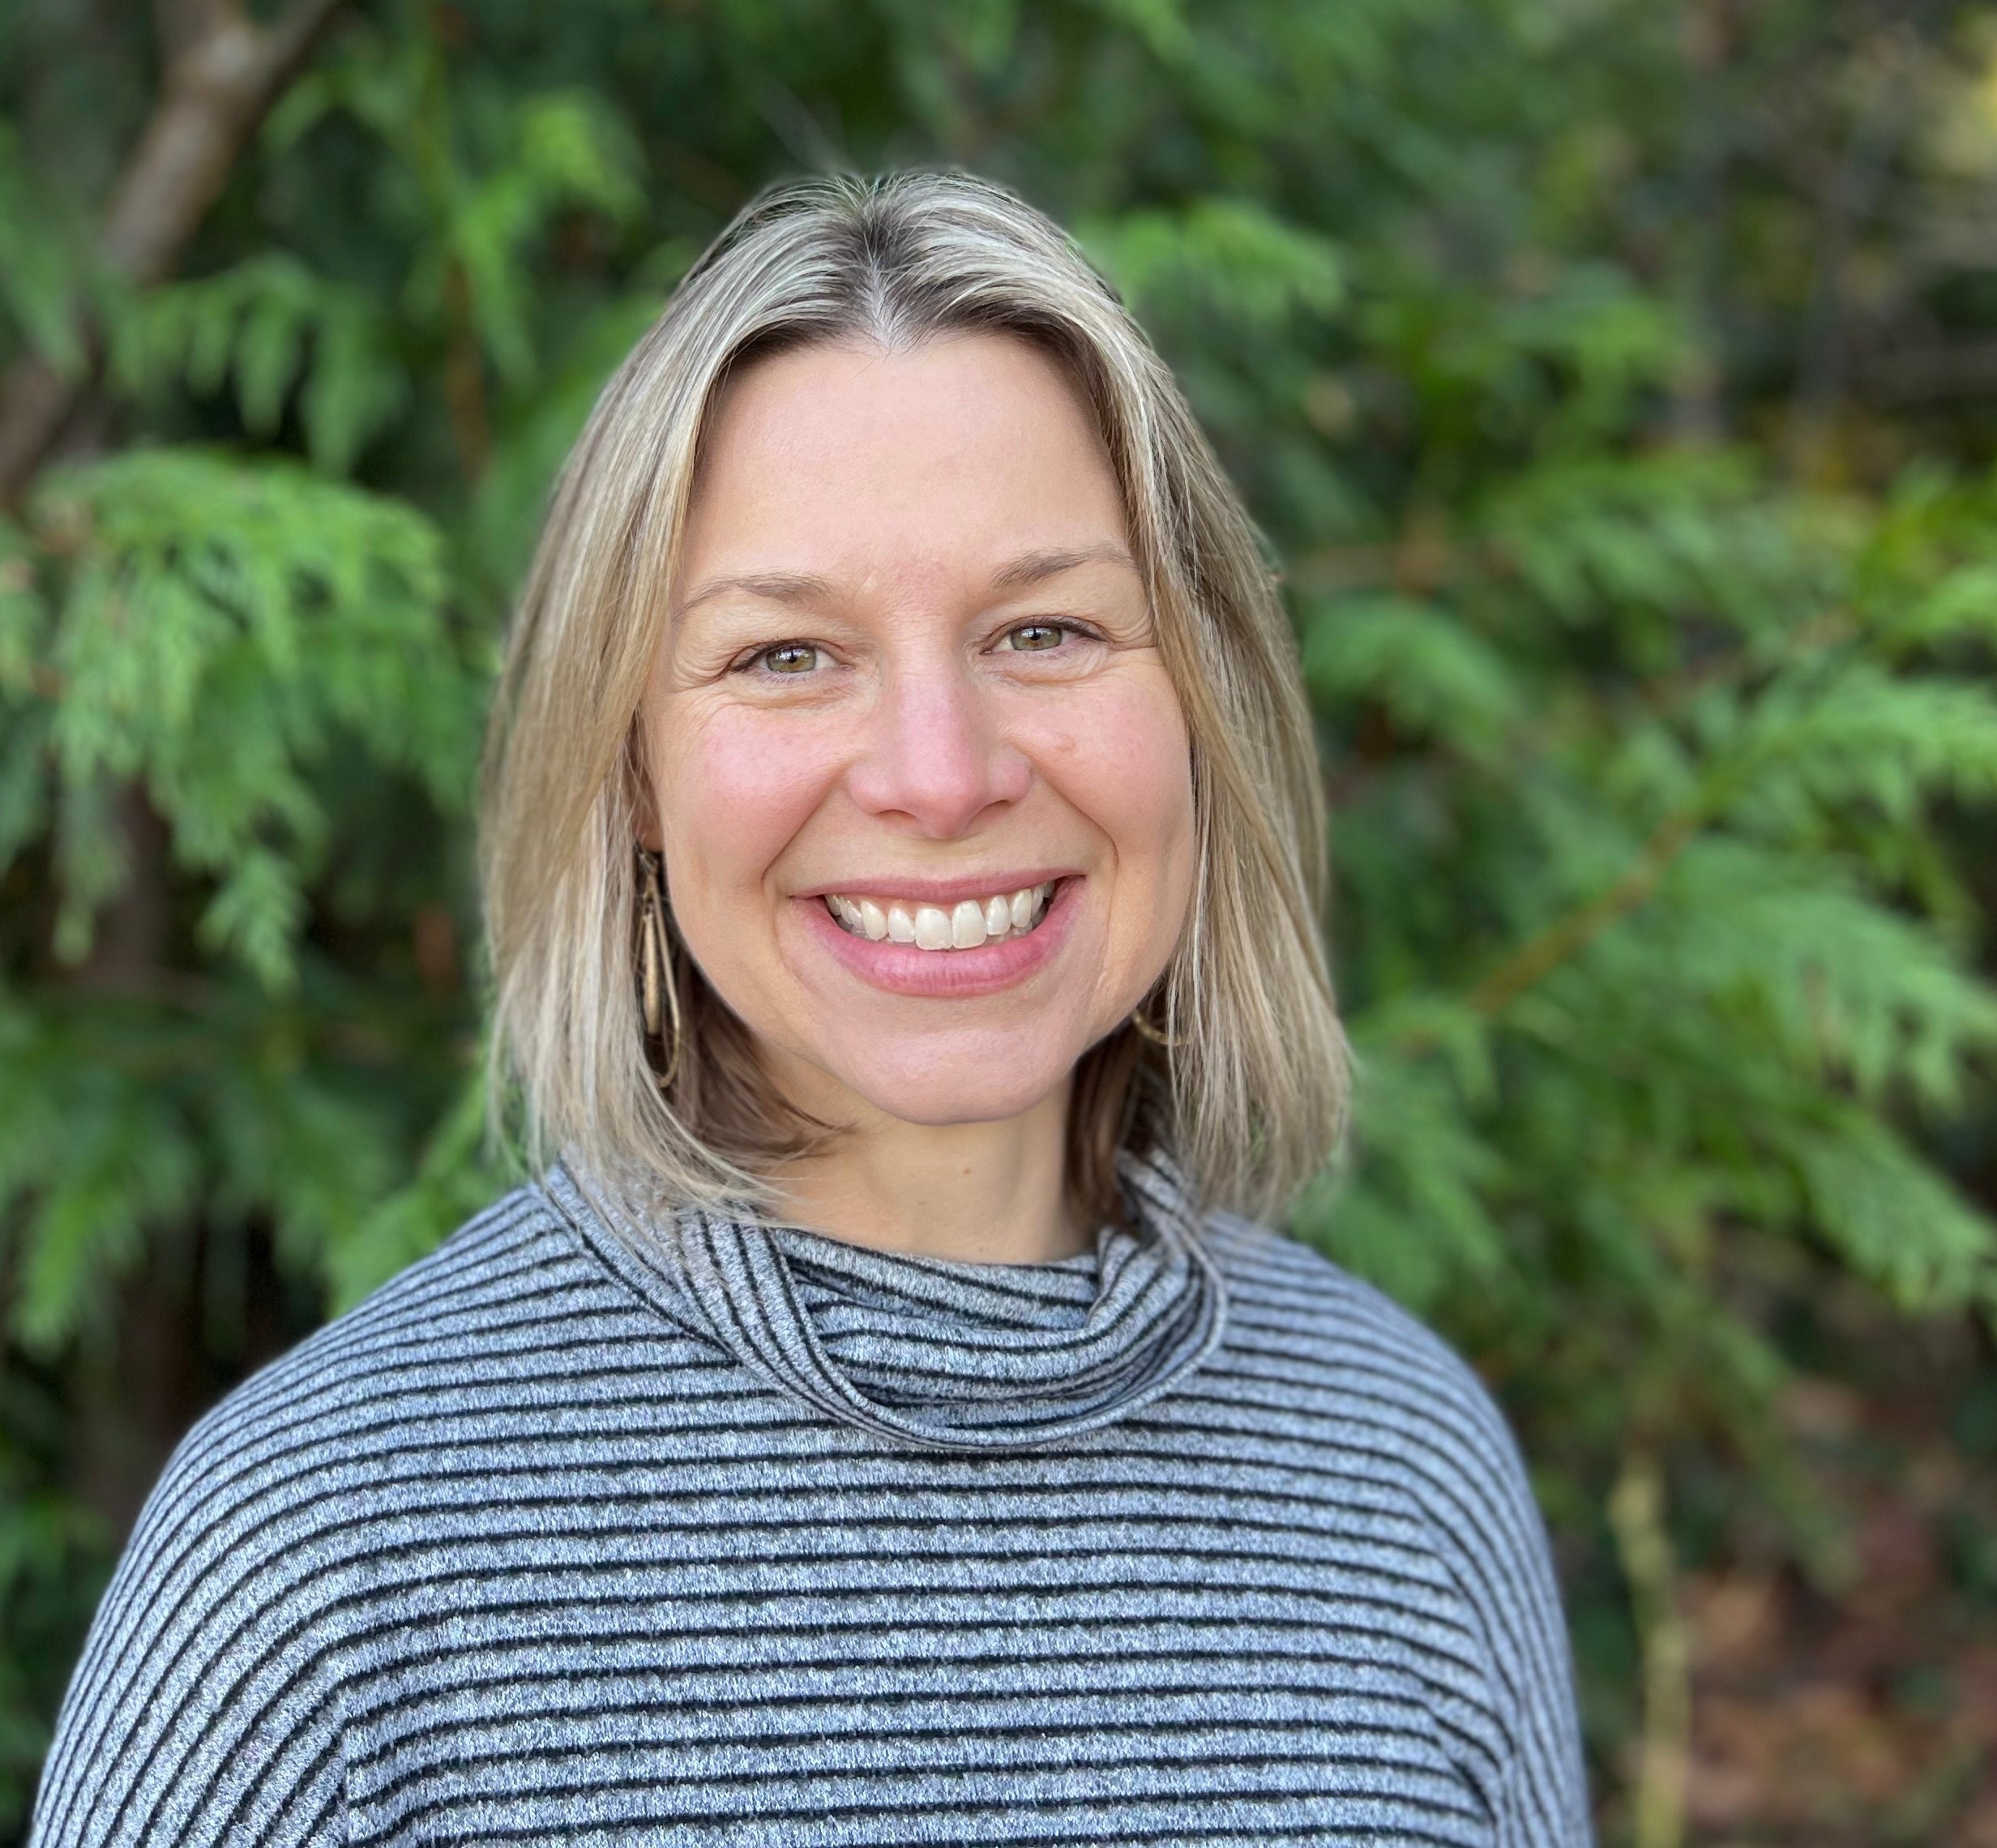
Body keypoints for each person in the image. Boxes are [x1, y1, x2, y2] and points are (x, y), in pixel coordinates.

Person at [30, 171, 1593, 1846]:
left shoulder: (1399, 1462)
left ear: (1200, 703)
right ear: (627, 763)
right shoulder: (319, 1561)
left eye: (1045, 629)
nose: (939, 776)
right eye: (785, 655)